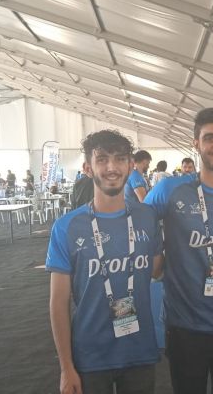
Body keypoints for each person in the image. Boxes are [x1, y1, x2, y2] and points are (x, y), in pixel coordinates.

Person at [144, 107, 213, 394]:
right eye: (209, 138)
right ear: (196, 143)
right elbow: (138, 221)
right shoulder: (169, 190)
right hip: (185, 326)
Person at [46, 129, 164, 394]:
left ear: (131, 166)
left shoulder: (147, 218)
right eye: (102, 159)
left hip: (140, 352)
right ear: (88, 168)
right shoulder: (67, 227)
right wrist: (66, 367)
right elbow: (58, 303)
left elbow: (156, 270)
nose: (112, 167)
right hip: (90, 356)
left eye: (120, 159)